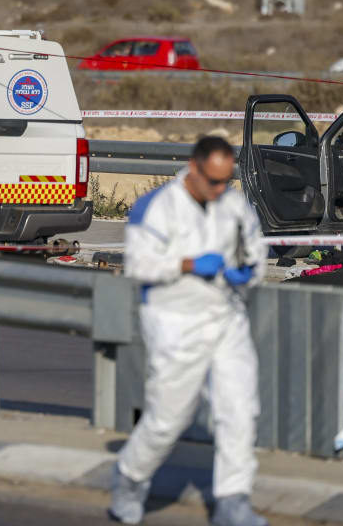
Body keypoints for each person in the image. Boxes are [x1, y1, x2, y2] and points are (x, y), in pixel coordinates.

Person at [110, 136, 269, 526]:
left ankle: (233, 500)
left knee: (240, 410)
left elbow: (257, 254)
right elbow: (137, 265)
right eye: (213, 180)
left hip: (226, 317)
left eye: (226, 180)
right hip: (174, 321)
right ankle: (130, 478)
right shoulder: (158, 206)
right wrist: (186, 264)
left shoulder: (233, 205)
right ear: (194, 169)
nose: (220, 189)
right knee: (167, 420)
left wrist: (247, 273)